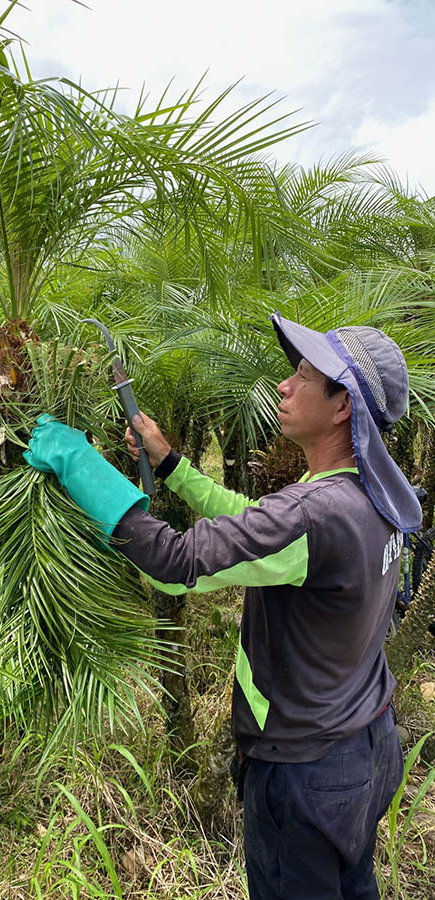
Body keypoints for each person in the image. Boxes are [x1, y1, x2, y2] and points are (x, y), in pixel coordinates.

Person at [23, 313, 415, 900]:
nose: (284, 386)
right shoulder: (376, 492)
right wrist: (173, 465)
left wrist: (79, 463)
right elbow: (259, 525)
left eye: (303, 377)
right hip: (368, 743)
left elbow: (177, 563)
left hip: (305, 769)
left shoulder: (311, 516)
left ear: (342, 408)